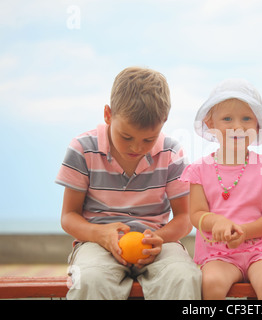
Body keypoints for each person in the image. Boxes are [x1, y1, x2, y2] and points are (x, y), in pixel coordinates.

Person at [55, 67, 202, 300]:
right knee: (90, 281)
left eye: (149, 139)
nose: (136, 148)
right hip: (96, 244)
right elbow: (68, 216)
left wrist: (160, 238)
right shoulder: (82, 149)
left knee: (184, 277)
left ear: (164, 122)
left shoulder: (172, 152)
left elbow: (185, 218)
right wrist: (100, 234)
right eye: (126, 137)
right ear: (108, 114)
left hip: (157, 243)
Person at [180, 79, 262, 299]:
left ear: (257, 125)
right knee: (212, 283)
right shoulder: (199, 170)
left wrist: (245, 232)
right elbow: (196, 215)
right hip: (218, 252)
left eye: (246, 118)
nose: (237, 126)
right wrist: (217, 222)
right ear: (210, 124)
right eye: (227, 118)